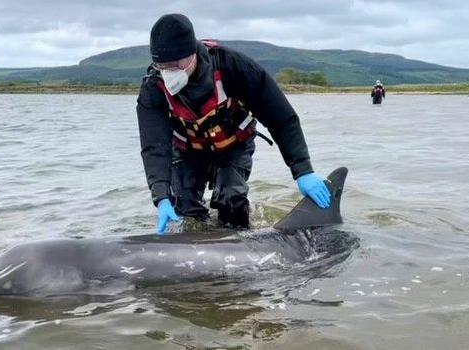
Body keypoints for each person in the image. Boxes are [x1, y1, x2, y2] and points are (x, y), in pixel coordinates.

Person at [136, 14, 331, 234]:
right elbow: (154, 147)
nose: (169, 73)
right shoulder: (153, 89)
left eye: (175, 65)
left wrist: (302, 169)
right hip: (187, 152)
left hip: (233, 147)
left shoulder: (234, 67)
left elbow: (281, 118)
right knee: (185, 213)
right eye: (162, 66)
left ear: (192, 54)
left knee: (232, 203)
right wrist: (161, 197)